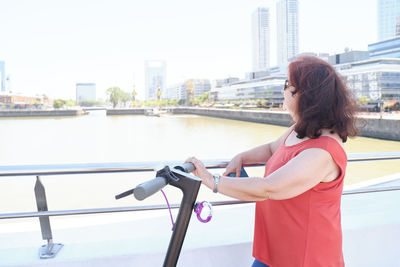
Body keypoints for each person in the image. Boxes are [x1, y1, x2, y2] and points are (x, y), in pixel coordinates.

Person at [185, 55, 359, 267]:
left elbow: (269, 188)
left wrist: (211, 180)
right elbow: (271, 149)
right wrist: (242, 157)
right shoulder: (299, 131)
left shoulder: (323, 151)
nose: (283, 90)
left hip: (306, 258)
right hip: (274, 250)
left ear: (307, 94)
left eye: (287, 84)